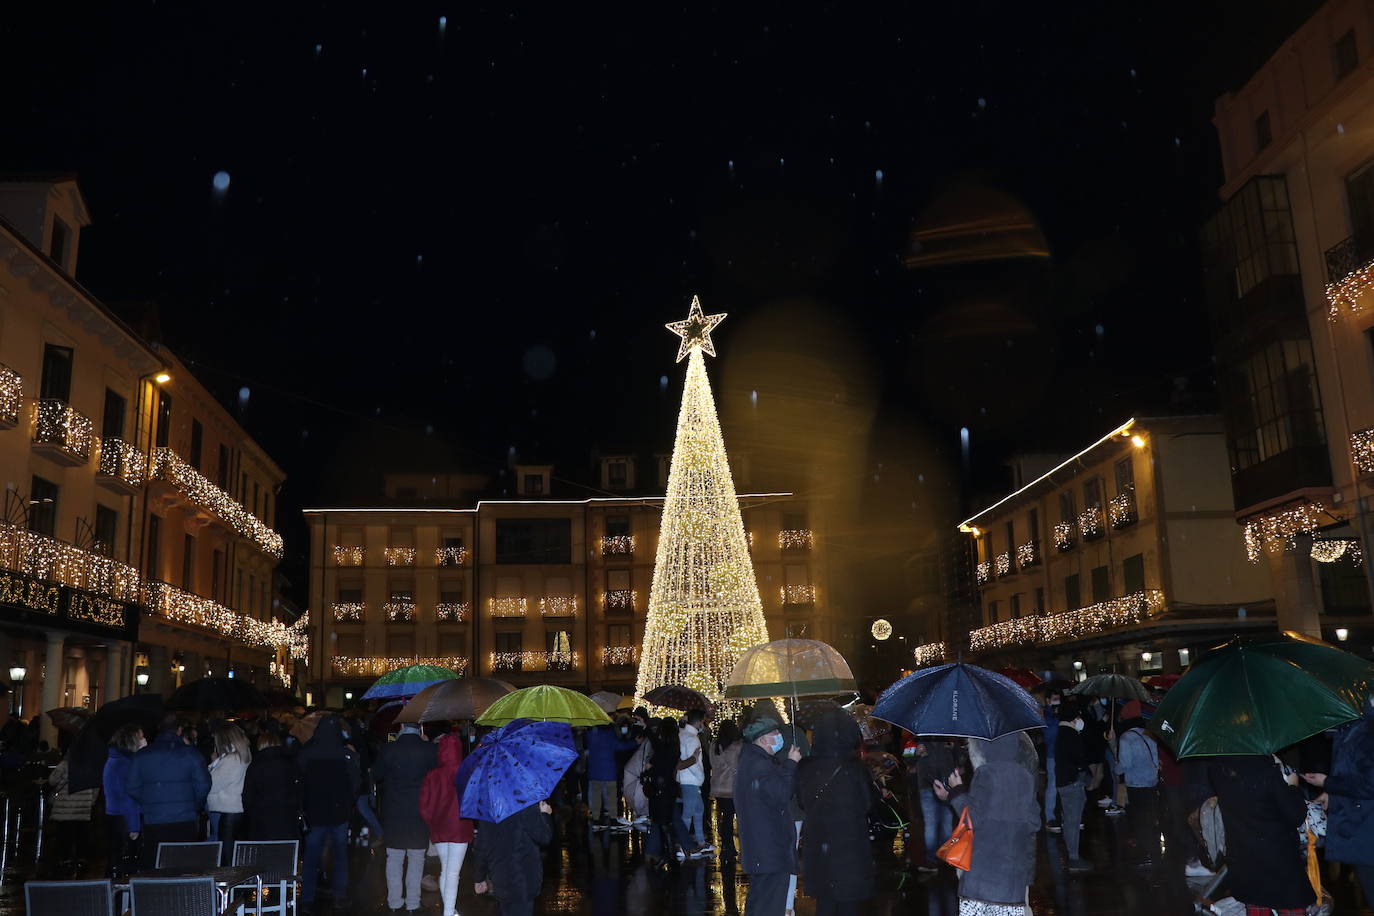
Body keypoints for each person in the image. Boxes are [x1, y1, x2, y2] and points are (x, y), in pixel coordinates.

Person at [933, 732, 1041, 916]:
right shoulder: (1025, 777)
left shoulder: (986, 773)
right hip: (1011, 883)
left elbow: (974, 819)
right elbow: (1034, 823)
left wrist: (955, 792)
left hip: (981, 880)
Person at [1204, 755, 1314, 914]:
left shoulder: (1217, 768)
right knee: (1290, 908)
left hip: (1245, 862)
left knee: (1256, 905)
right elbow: (1296, 815)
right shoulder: (1267, 772)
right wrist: (1293, 786)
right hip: (1279, 866)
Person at [795, 708, 875, 916]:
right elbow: (867, 804)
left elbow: (802, 802)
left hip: (819, 842)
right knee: (848, 903)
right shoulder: (857, 768)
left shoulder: (805, 767)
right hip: (850, 844)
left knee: (825, 902)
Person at [1303, 694, 1374, 906]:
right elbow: (1356, 771)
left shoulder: (1366, 729)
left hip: (1366, 829)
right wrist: (1332, 793)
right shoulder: (1360, 725)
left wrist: (1328, 783)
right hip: (1362, 826)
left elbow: (1369, 783)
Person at [733, 716, 802, 916]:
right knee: (770, 905)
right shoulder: (758, 764)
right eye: (775, 734)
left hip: (763, 851)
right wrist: (790, 764)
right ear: (762, 739)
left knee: (760, 902)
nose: (779, 737)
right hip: (769, 849)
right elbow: (781, 794)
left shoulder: (754, 760)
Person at [125, 714, 211, 868]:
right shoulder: (191, 754)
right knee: (184, 864)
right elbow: (203, 784)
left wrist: (149, 801)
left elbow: (131, 786)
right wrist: (194, 804)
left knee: (156, 863)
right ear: (179, 731)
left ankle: (158, 891)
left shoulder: (142, 755)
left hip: (154, 819)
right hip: (184, 817)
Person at [298, 714, 361, 914]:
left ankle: (307, 898)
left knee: (311, 856)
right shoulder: (347, 755)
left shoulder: (307, 754)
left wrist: (304, 806)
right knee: (340, 855)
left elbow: (299, 782)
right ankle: (338, 896)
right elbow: (356, 784)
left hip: (315, 814)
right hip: (339, 813)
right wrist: (347, 802)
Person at [374, 721, 439, 913]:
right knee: (416, 859)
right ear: (419, 728)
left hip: (394, 812)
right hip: (419, 812)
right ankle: (413, 903)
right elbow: (436, 776)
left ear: (401, 726)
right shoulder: (428, 749)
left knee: (394, 858)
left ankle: (394, 902)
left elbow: (376, 774)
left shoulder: (388, 749)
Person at [419, 733, 473, 916]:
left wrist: (433, 821)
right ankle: (448, 912)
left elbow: (424, 806)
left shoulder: (432, 775)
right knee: (453, 872)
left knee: (445, 869)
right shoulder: (465, 773)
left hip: (439, 828)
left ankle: (449, 910)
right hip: (460, 827)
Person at [473, 799, 554, 916]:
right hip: (523, 879)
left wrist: (479, 877)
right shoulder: (525, 803)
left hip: (500, 877)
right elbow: (544, 837)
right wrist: (545, 814)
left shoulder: (488, 805)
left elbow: (481, 845)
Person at [1114, 711, 1160, 866]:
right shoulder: (1149, 734)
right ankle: (1154, 851)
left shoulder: (1126, 738)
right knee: (1150, 817)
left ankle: (1144, 852)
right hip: (1151, 781)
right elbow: (1155, 758)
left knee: (1139, 819)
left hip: (1135, 783)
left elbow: (1124, 765)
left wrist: (1116, 768)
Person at [103, 724, 146, 879]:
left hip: (115, 817)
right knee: (126, 863)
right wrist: (134, 826)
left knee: (115, 859)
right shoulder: (126, 763)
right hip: (126, 819)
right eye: (141, 737)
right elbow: (128, 797)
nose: (144, 740)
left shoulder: (114, 759)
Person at [242, 728, 301, 840]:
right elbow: (299, 787)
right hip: (287, 814)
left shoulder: (255, 765)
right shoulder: (291, 762)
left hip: (261, 816)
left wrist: (249, 813)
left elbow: (248, 795)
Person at [1055, 704, 1092, 873]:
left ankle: (1073, 855)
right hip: (1072, 783)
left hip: (1065, 782)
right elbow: (1078, 759)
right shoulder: (1071, 735)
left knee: (1070, 820)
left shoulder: (1062, 734)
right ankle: (1074, 857)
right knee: (1072, 822)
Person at [207, 724, 252, 864]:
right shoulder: (240, 756)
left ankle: (228, 884)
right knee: (230, 852)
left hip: (229, 810)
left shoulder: (230, 759)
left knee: (227, 855)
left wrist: (213, 764)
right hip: (235, 809)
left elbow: (212, 784)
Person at [49, 750, 100, 872]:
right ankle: (81, 861)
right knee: (81, 836)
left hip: (64, 809)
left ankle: (65, 861)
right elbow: (96, 787)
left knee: (64, 836)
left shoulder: (64, 764)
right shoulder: (91, 766)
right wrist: (90, 801)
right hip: (83, 808)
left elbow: (52, 781)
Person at [916, 737, 959, 872]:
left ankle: (945, 857)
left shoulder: (949, 738)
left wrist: (955, 749)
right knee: (931, 824)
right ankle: (931, 859)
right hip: (926, 787)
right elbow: (907, 758)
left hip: (947, 787)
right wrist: (915, 753)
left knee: (947, 823)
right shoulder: (918, 740)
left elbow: (961, 758)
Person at [586, 722, 637, 829]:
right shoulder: (610, 735)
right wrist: (635, 742)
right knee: (610, 798)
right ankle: (613, 820)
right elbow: (621, 746)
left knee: (596, 797)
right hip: (608, 772)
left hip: (594, 772)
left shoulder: (590, 735)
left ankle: (596, 821)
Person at [709, 721, 744, 860]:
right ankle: (741, 846)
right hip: (733, 787)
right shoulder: (738, 746)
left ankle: (727, 845)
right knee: (740, 818)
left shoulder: (714, 746)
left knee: (726, 818)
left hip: (718, 787)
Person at [678, 709, 710, 852]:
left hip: (686, 780)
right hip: (691, 780)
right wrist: (700, 777)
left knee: (698, 810)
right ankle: (683, 846)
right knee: (688, 813)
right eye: (703, 721)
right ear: (698, 721)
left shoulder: (683, 734)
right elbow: (692, 761)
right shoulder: (692, 738)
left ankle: (700, 841)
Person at [1041, 690, 1062, 829]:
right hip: (1052, 754)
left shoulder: (1056, 714)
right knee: (1053, 786)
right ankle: (1050, 817)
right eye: (1054, 698)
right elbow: (1050, 734)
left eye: (1058, 698)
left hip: (1060, 754)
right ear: (1048, 700)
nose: (1057, 701)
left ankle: (1059, 814)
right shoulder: (1047, 715)